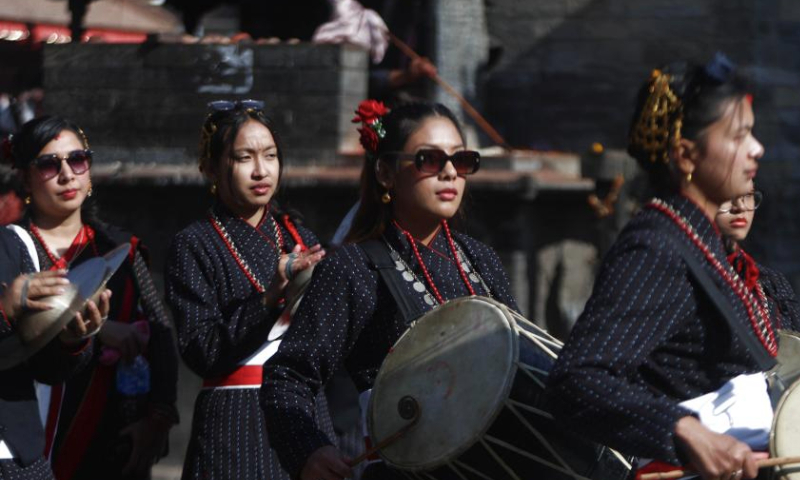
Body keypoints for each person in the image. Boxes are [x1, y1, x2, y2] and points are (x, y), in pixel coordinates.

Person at [545, 54, 800, 480]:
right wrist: (683, 430)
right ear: (685, 155)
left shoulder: (707, 247)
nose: (757, 149)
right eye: (739, 136)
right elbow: (577, 380)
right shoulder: (657, 247)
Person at [261, 100, 519, 480]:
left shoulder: (481, 260)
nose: (449, 172)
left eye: (461, 160)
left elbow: (519, 363)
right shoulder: (354, 267)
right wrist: (309, 451)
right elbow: (287, 377)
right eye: (428, 160)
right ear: (385, 171)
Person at [165, 99, 332, 480]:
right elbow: (201, 349)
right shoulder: (194, 244)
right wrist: (269, 298)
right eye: (244, 158)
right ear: (210, 168)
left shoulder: (298, 236)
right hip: (235, 420)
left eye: (270, 156)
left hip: (305, 413)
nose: (261, 170)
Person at [5, 115, 179, 480]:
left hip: (110, 426)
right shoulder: (13, 251)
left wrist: (157, 419)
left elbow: (162, 336)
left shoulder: (119, 251)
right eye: (50, 165)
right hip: (26, 428)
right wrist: (100, 331)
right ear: (25, 177)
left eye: (77, 160)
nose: (68, 174)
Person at [716, 190, 800, 335]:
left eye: (748, 196)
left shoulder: (773, 282)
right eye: (727, 196)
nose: (740, 207)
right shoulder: (681, 273)